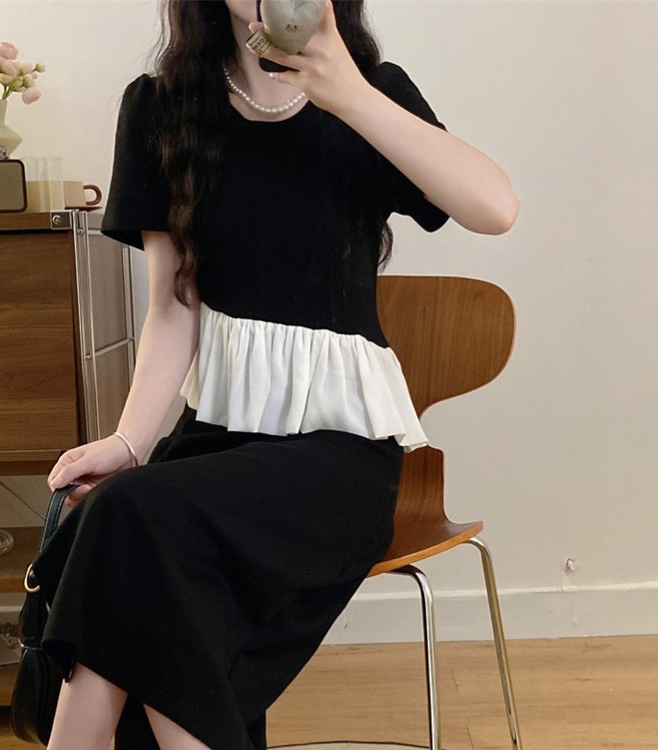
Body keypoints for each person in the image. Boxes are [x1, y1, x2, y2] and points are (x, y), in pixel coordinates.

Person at [32, 1, 519, 749]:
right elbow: (173, 307)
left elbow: (496, 208)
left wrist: (348, 93)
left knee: (130, 528)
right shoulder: (161, 108)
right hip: (217, 441)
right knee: (126, 530)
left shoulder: (371, 91)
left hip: (341, 455)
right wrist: (129, 443)